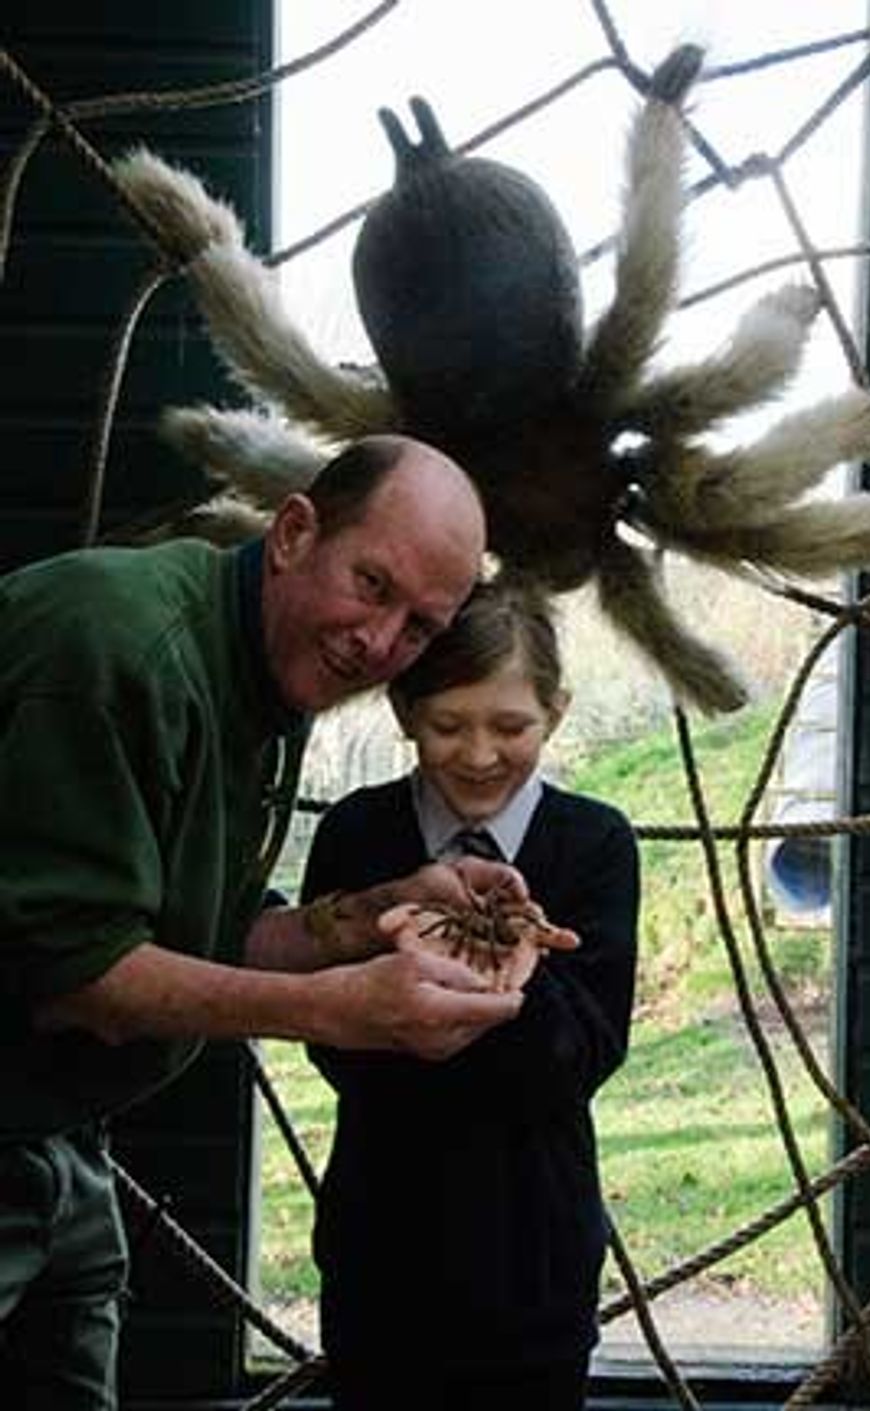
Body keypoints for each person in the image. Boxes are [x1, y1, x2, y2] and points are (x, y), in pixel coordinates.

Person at [0, 433, 532, 1410]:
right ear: (293, 531)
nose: (377, 642)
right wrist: (340, 1009)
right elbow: (80, 974)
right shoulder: (121, 644)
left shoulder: (262, 679)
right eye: (370, 584)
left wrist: (376, 915)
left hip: (57, 1136)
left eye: (418, 627)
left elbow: (209, 928)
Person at [302, 579, 640, 1411]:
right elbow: (328, 1039)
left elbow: (589, 1052)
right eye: (449, 724)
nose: (481, 753)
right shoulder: (357, 834)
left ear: (555, 714)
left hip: (536, 1250)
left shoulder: (596, 843)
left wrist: (508, 984)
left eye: (511, 725)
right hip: (381, 1241)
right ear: (405, 711)